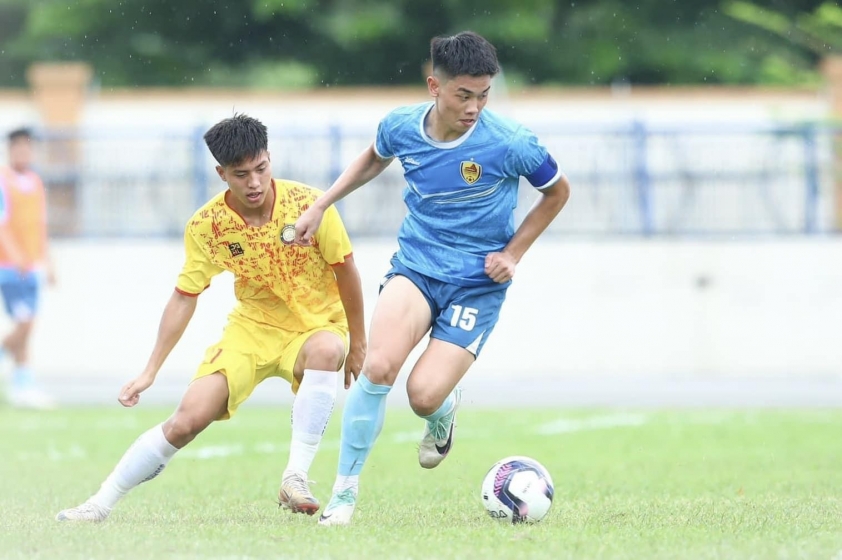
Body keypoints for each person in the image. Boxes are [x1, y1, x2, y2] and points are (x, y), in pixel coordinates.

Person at [294, 31, 571, 526]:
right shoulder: (401, 126)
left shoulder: (509, 141)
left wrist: (513, 253)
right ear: (434, 86)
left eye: (484, 94)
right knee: (378, 368)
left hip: (476, 284)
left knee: (422, 395)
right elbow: (374, 157)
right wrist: (321, 203)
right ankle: (344, 495)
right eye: (464, 94)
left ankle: (441, 412)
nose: (474, 107)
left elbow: (557, 192)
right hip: (417, 268)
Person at [56, 114, 367, 522]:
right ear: (221, 173)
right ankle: (99, 504)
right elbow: (184, 297)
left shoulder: (310, 205)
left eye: (261, 169)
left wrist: (358, 341)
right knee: (187, 420)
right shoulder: (208, 226)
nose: (254, 183)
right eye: (241, 175)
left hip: (316, 326)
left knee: (327, 349)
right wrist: (150, 370)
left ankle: (296, 476)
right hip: (251, 331)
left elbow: (346, 269)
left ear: (269, 158)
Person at [0, 127, 56, 409]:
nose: (23, 153)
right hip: (9, 266)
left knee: (27, 327)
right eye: (18, 148)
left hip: (32, 265)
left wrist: (48, 263)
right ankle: (20, 379)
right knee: (25, 322)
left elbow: (40, 226)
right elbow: (1, 224)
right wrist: (15, 255)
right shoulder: (2, 180)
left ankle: (22, 385)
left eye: (27, 149)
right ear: (10, 150)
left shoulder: (34, 182)